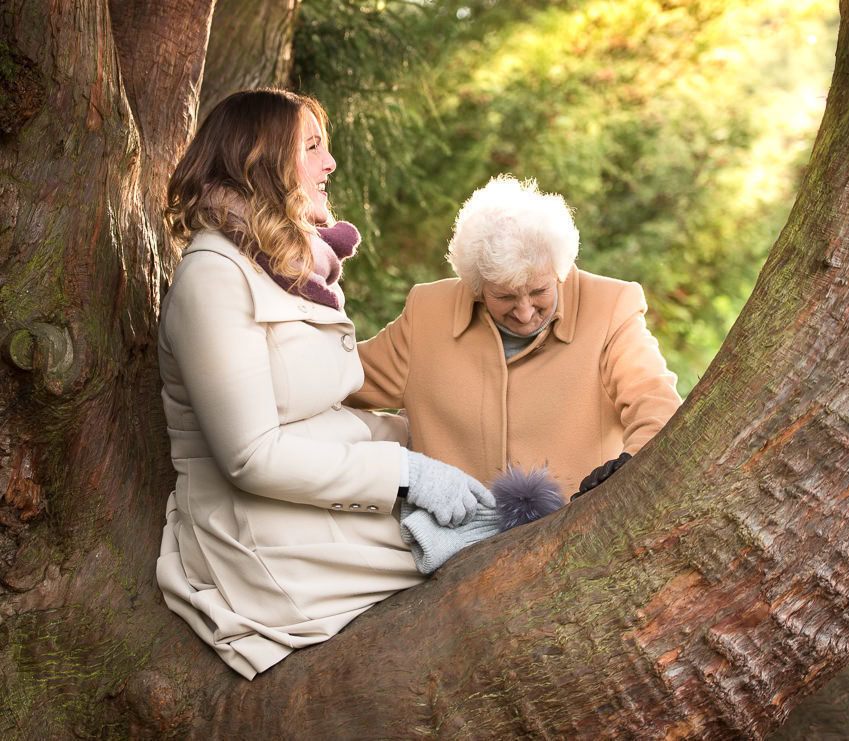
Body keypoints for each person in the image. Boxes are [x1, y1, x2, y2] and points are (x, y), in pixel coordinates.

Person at [154, 89, 493, 679]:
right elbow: (251, 457)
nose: (330, 164)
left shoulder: (282, 267)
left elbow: (320, 411)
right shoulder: (214, 276)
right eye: (313, 149)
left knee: (502, 513)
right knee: (489, 552)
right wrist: (410, 471)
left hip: (310, 504)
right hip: (260, 536)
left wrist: (430, 437)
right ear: (261, 163)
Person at [347, 175, 682, 497]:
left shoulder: (610, 307)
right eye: (505, 297)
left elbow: (654, 400)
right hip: (455, 539)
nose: (524, 312)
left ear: (559, 271)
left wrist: (631, 467)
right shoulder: (428, 314)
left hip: (576, 535)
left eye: (538, 291)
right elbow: (339, 380)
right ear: (476, 287)